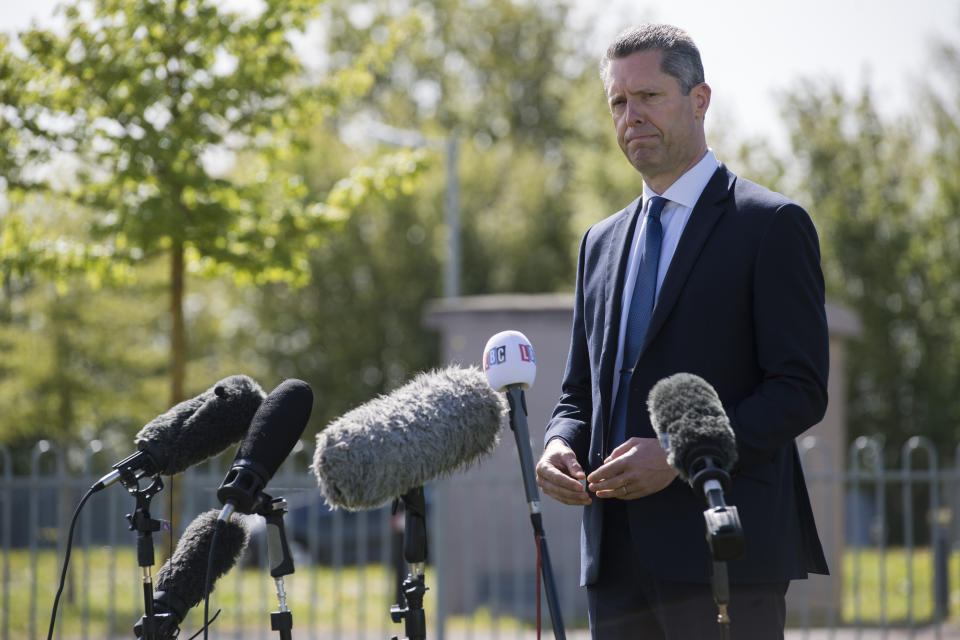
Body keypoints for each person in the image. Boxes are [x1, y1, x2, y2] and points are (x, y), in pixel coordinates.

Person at [535, 23, 829, 639]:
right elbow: (578, 393)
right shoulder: (599, 241)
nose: (630, 116)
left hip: (724, 554)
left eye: (648, 96)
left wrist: (677, 456)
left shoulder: (771, 225)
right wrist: (559, 442)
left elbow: (799, 389)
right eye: (618, 102)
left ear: (699, 101)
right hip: (613, 560)